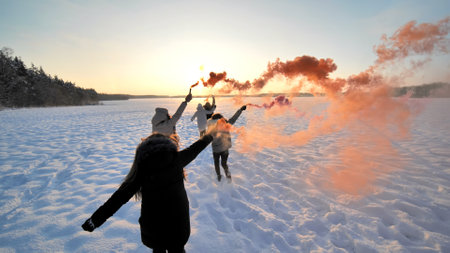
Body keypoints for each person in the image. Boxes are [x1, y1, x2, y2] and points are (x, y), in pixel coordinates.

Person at [81, 132, 215, 253]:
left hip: (154, 229)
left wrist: (95, 220)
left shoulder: (141, 170)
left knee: (158, 249)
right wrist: (213, 132)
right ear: (168, 146)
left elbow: (118, 198)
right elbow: (197, 147)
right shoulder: (177, 160)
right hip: (179, 226)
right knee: (178, 249)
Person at [206, 105, 246, 182]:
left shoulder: (210, 126)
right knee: (224, 164)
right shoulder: (225, 123)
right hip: (225, 148)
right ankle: (228, 177)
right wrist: (240, 110)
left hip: (215, 149)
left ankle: (219, 176)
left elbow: (207, 137)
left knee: (216, 163)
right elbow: (234, 118)